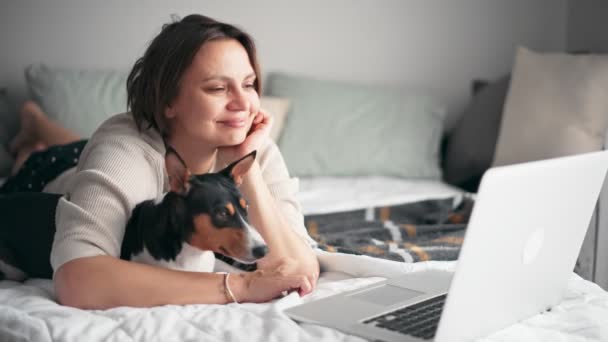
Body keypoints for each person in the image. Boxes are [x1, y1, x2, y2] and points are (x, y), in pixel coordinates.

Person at [1, 14, 319, 308]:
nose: (243, 104)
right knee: (41, 156)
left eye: (248, 84)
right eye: (218, 88)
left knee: (73, 144)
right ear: (168, 101)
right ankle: (33, 129)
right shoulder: (123, 149)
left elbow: (301, 269)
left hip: (105, 153)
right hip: (54, 172)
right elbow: (77, 279)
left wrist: (243, 167)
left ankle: (38, 127)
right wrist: (240, 286)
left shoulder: (248, 141)